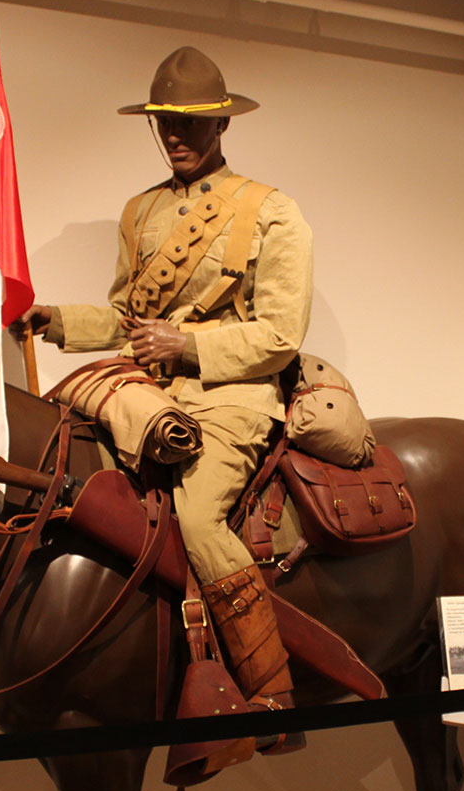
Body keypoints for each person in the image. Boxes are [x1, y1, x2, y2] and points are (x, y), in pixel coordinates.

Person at [25, 46, 307, 715]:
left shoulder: (272, 213)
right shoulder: (141, 212)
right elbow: (128, 318)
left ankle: (271, 688)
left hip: (234, 396)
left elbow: (280, 334)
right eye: (163, 122)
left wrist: (187, 343)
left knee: (199, 513)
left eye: (189, 121)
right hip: (147, 395)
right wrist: (56, 319)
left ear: (222, 125)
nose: (175, 135)